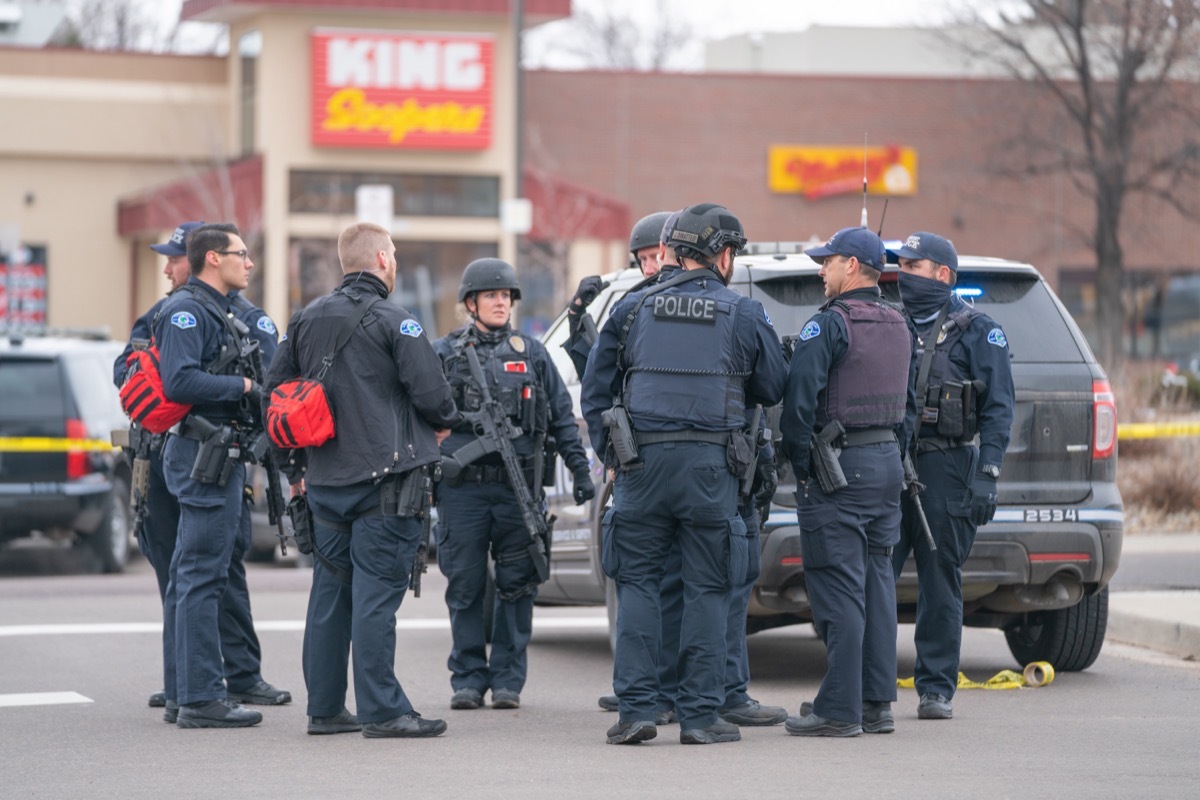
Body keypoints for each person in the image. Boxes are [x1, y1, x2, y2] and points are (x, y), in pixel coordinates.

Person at [581, 203, 786, 746]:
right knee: (706, 589)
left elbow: (595, 388)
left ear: (672, 252)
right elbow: (773, 386)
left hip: (640, 467)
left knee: (640, 586)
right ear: (722, 255)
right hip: (710, 471)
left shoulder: (630, 308)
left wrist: (615, 452)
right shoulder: (742, 313)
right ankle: (699, 718)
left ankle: (637, 712)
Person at [264, 222, 460, 738]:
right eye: (392, 253)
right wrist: (439, 422)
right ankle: (383, 711)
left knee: (329, 595)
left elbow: (274, 395)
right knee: (375, 599)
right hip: (386, 483)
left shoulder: (304, 320)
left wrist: (295, 472)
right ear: (379, 258)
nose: (393, 261)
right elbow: (436, 397)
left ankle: (324, 709)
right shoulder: (398, 321)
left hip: (326, 484)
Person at [114, 221, 286, 720]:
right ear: (213, 258)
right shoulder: (187, 310)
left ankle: (190, 692)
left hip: (209, 454)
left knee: (200, 575)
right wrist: (246, 390)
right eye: (241, 253)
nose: (249, 263)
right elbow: (182, 380)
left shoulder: (222, 312)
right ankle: (200, 697)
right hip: (201, 455)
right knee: (198, 576)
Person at [433, 258, 595, 712]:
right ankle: (467, 678)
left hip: (517, 490)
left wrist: (581, 472)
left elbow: (562, 419)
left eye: (506, 296)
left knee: (517, 585)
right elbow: (417, 414)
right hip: (462, 489)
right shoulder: (443, 352)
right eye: (491, 296)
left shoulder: (533, 353)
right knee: (464, 586)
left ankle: (507, 680)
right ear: (471, 303)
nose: (501, 302)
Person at [779, 226, 915, 738]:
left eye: (828, 262)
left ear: (852, 267)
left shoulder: (830, 325)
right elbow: (910, 406)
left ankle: (838, 708)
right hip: (885, 466)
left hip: (838, 470)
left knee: (838, 589)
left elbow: (798, 404)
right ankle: (875, 703)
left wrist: (801, 463)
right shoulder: (900, 323)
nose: (822, 270)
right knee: (878, 585)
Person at [888, 231, 1015, 721]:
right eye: (901, 266)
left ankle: (935, 688)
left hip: (947, 467)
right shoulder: (889, 321)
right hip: (890, 463)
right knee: (876, 575)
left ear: (943, 275)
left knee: (940, 578)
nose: (904, 276)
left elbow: (999, 409)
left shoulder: (979, 330)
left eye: (914, 268)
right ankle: (867, 683)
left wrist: (988, 471)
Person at [563, 210, 673, 379]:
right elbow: (599, 376)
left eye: (655, 257)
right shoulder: (630, 310)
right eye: (643, 260)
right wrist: (576, 314)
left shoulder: (706, 302)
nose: (649, 269)